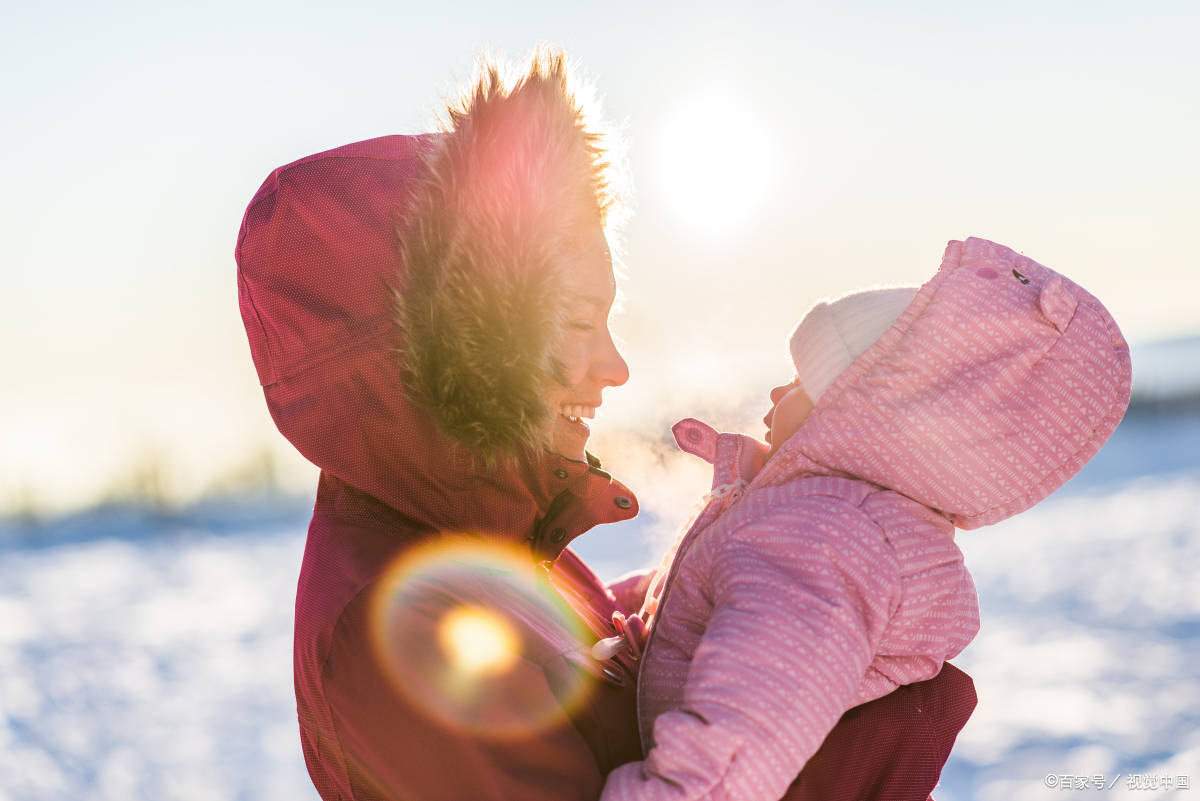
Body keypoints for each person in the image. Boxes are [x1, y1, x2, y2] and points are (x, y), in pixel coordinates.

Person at [235, 50, 983, 801]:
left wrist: (756, 577)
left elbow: (614, 690)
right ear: (451, 343)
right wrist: (887, 733)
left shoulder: (493, 543)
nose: (616, 365)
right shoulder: (398, 631)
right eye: (575, 320)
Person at [599, 237, 1133, 801]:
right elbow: (718, 602)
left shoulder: (826, 536)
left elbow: (748, 726)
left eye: (801, 381)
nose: (777, 390)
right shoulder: (838, 522)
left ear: (858, 412)